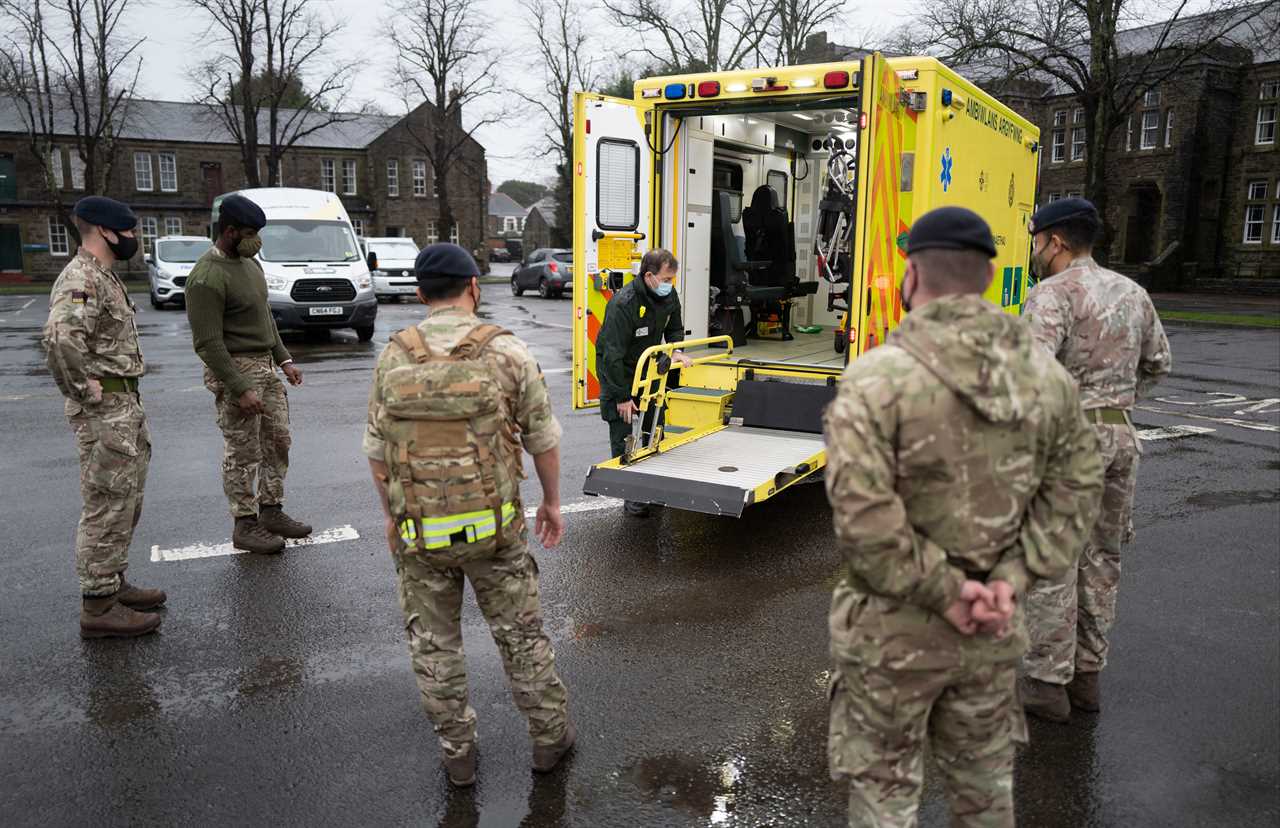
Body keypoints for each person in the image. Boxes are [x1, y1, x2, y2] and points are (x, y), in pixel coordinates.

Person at [823, 206, 1104, 827]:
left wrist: (946, 594)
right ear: (985, 278)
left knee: (883, 796)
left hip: (891, 638)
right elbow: (1078, 488)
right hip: (992, 631)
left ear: (912, 276)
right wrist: (1009, 581)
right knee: (984, 796)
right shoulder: (1049, 381)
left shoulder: (874, 382)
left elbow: (864, 520)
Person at [363, 242, 574, 787]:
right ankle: (549, 741)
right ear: (474, 286)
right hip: (495, 530)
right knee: (521, 636)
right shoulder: (506, 352)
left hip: (420, 533)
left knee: (434, 646)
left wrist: (392, 515)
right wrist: (550, 502)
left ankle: (459, 755)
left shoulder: (394, 355)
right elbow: (542, 440)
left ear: (419, 293)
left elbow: (378, 451)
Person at [1020, 197, 1172, 721]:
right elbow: (1158, 363)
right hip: (1119, 440)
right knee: (1102, 560)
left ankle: (1046, 684)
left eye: (1037, 239)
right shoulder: (1133, 293)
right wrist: (1112, 403)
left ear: (1055, 241)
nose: (1035, 249)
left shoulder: (1050, 295)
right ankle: (1087, 680)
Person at [42, 196, 167, 638]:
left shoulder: (104, 277)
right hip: (104, 412)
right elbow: (60, 339)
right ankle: (98, 607)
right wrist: (81, 389)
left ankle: (112, 582)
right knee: (105, 504)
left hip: (124, 408)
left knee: (125, 503)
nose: (134, 239)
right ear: (104, 231)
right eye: (129, 232)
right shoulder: (81, 278)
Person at [185, 194, 311, 555]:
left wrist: (284, 359)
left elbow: (264, 316)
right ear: (229, 231)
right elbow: (207, 343)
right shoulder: (206, 278)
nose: (257, 240)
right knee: (243, 452)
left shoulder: (250, 265)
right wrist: (239, 387)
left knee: (278, 442)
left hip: (266, 367)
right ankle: (244, 523)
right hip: (235, 368)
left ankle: (271, 511)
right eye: (251, 233)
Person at [594, 248, 692, 516]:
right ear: (649, 276)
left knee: (653, 428)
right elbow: (611, 355)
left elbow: (674, 328)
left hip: (647, 369)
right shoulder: (623, 303)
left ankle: (651, 484)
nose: (670, 285)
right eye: (666, 279)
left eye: (672, 279)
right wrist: (622, 396)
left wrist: (677, 350)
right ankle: (630, 494)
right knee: (623, 433)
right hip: (618, 372)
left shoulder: (668, 295)